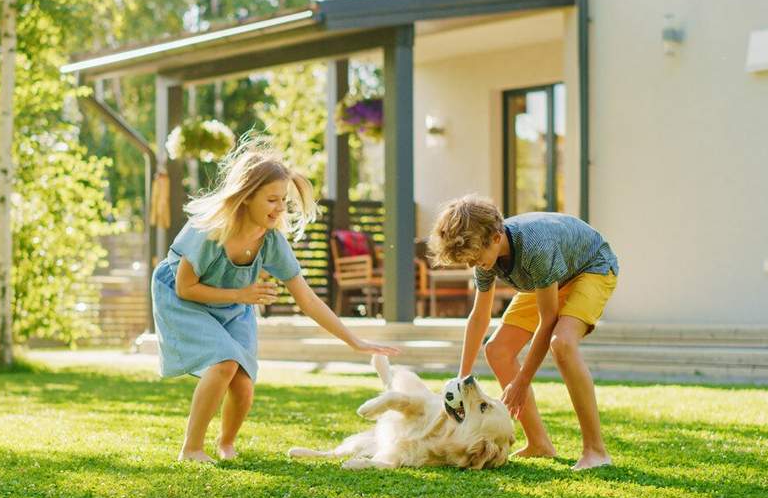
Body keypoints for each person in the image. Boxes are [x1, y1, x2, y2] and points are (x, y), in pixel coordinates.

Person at [152, 140, 400, 463]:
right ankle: (191, 448)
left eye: (283, 200)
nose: (280, 207)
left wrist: (354, 341)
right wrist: (240, 295)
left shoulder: (270, 242)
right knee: (224, 362)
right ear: (245, 197)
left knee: (243, 384)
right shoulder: (210, 231)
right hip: (183, 300)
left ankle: (225, 444)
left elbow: (307, 299)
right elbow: (186, 288)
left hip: (231, 305)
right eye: (272, 199)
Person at [427, 194, 619, 470]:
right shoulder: (485, 256)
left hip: (591, 268)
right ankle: (539, 444)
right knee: (497, 350)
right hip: (548, 279)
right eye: (470, 262)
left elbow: (548, 319)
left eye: (477, 258)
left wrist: (522, 381)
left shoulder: (535, 247)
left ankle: (595, 451)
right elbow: (479, 315)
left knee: (562, 343)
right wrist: (462, 378)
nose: (476, 265)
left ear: (495, 237)